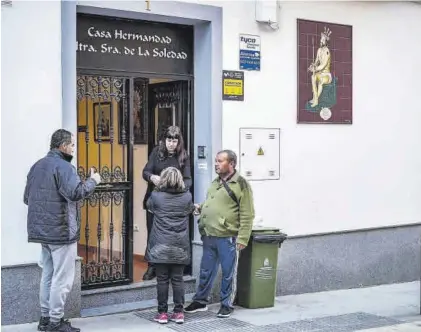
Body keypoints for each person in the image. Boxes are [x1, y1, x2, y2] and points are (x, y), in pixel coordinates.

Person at [24, 129, 101, 332]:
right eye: (73, 145)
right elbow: (76, 193)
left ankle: (45, 319)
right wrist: (94, 180)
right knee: (61, 279)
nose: (74, 149)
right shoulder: (65, 167)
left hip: (41, 232)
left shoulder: (36, 166)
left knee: (48, 275)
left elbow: (27, 198)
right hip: (61, 232)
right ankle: (56, 322)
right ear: (63, 146)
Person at [184, 150, 255, 318]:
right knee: (206, 270)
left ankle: (226, 304)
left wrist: (243, 238)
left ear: (232, 164)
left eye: (220, 161)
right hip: (209, 234)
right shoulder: (216, 182)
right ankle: (200, 301)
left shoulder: (241, 184)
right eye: (216, 161)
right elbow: (214, 202)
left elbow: (247, 213)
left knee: (228, 272)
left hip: (228, 236)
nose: (216, 164)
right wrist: (201, 208)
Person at [142, 125, 192, 280]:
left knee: (175, 236)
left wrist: (176, 187)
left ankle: (175, 268)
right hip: (156, 201)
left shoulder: (184, 156)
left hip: (175, 202)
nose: (172, 143)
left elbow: (188, 180)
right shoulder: (157, 152)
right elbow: (145, 171)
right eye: (169, 140)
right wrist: (152, 178)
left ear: (179, 142)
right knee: (153, 233)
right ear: (165, 140)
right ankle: (152, 266)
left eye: (175, 140)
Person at [145, 167, 194, 324]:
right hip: (180, 246)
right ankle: (179, 312)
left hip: (160, 245)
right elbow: (189, 209)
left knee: (162, 280)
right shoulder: (187, 196)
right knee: (178, 280)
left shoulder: (156, 196)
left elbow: (149, 207)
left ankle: (162, 313)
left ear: (163, 179)